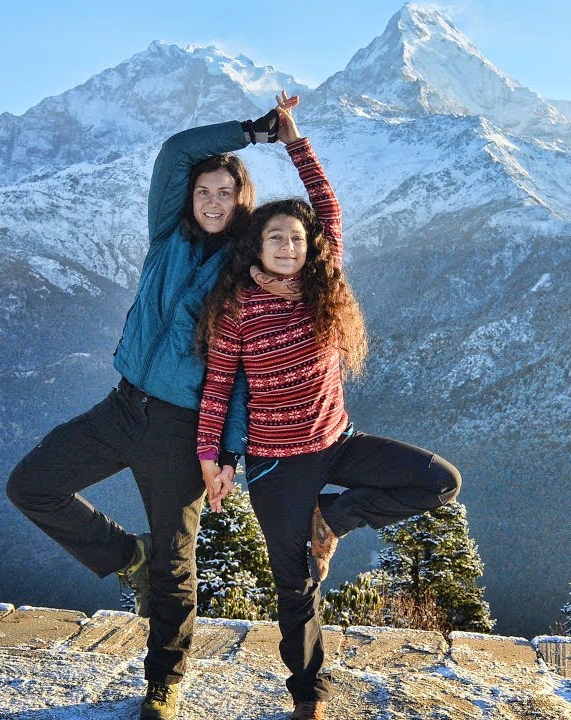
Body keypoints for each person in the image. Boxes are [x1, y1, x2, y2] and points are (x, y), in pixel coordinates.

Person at [7, 110, 284, 720]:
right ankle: (124, 558)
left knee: (176, 560)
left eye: (225, 192)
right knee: (31, 485)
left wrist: (226, 454)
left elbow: (245, 374)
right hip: (123, 405)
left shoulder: (248, 270)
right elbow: (176, 151)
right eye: (204, 191)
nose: (212, 201)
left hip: (184, 429)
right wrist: (254, 131)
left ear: (243, 199)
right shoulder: (169, 235)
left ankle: (165, 683)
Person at [195, 93, 462, 720]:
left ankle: (333, 520)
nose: (286, 245)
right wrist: (213, 456)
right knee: (296, 585)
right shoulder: (236, 307)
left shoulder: (324, 283)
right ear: (255, 246)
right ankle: (308, 695)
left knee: (439, 482)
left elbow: (330, 207)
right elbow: (218, 388)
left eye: (295, 237)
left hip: (336, 442)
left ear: (309, 245)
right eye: (274, 237)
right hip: (275, 463)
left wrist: (295, 139)